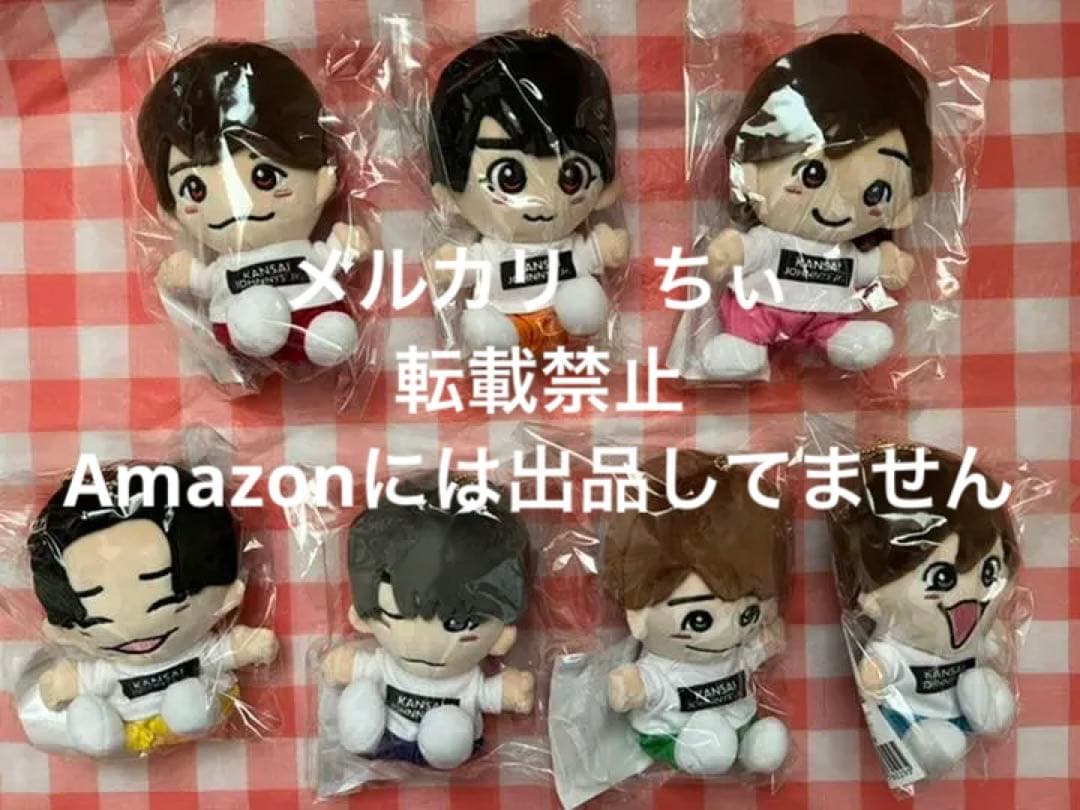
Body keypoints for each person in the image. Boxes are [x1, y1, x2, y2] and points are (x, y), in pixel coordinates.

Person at [701, 33, 932, 378]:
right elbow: (751, 250)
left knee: (841, 329)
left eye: (875, 192)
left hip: (829, 315)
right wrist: (731, 252)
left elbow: (861, 266)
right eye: (812, 174)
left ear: (903, 206)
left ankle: (840, 338)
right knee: (748, 326)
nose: (835, 207)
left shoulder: (845, 251)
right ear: (748, 169)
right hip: (762, 308)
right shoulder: (772, 240)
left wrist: (885, 264)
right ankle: (744, 342)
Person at [138, 41, 369, 367]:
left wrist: (345, 248)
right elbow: (206, 281)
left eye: (265, 176)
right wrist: (187, 275)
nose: (235, 205)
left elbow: (329, 258)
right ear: (171, 215)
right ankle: (257, 328)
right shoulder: (224, 268)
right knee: (255, 313)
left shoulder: (306, 250)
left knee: (333, 335)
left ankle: (321, 335)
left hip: (317, 316)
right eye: (195, 188)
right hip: (240, 325)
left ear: (322, 182)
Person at [27, 464, 277, 755]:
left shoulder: (197, 649)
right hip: (130, 730)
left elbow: (223, 650)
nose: (136, 622)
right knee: (90, 714)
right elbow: (85, 678)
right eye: (92, 595)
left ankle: (189, 714)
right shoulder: (107, 669)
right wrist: (65, 683)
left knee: (189, 702)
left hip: (200, 704)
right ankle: (100, 731)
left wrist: (249, 646)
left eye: (156, 582)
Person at [427, 31, 629, 354]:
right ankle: (494, 336)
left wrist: (605, 249)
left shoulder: (567, 246)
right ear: (451, 193)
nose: (542, 201)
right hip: (507, 323)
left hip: (562, 323)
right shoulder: (491, 253)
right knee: (482, 329)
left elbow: (585, 255)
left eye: (572, 177)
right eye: (509, 177)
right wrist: (453, 267)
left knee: (586, 301)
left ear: (604, 188)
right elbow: (473, 267)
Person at [830, 446, 1019, 775]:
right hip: (914, 720)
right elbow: (876, 674)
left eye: (989, 573)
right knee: (942, 743)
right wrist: (874, 674)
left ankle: (986, 713)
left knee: (978, 684)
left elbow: (990, 645)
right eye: (942, 578)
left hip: (967, 708)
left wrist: (993, 640)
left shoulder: (976, 633)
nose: (970, 594)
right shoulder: (894, 647)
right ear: (872, 597)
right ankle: (931, 742)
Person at [321, 478, 534, 770]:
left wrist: (508, 693)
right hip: (385, 736)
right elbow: (365, 668)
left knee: (449, 730)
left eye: (457, 624)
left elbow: (484, 694)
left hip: (447, 744)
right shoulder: (385, 666)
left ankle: (442, 746)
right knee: (361, 695)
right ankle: (361, 737)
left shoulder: (467, 680)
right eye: (398, 615)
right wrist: (348, 666)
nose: (424, 643)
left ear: (501, 637)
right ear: (363, 617)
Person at [603, 450, 790, 775]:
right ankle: (699, 751)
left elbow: (748, 657)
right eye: (699, 619)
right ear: (638, 617)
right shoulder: (665, 666)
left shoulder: (734, 653)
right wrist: (630, 686)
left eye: (747, 615)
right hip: (671, 733)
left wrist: (765, 642)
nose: (727, 630)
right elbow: (647, 683)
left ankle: (752, 748)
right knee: (711, 743)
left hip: (738, 721)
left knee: (763, 743)